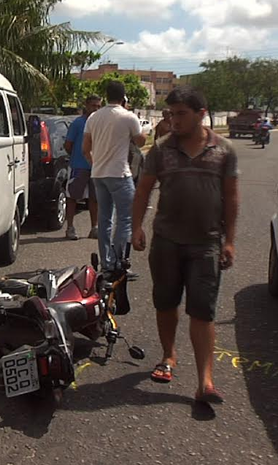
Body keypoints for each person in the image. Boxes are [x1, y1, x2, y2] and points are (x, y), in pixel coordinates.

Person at [131, 86, 239, 404]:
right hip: (166, 242)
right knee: (165, 304)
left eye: (181, 114)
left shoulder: (224, 150)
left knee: (203, 312)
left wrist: (230, 241)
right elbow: (143, 191)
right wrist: (137, 227)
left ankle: (205, 381)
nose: (174, 120)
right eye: (171, 114)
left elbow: (231, 197)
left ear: (201, 113)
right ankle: (168, 356)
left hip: (206, 244)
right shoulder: (161, 150)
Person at [82, 81, 146, 271]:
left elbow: (85, 148)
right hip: (119, 174)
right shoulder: (128, 117)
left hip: (99, 174)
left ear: (105, 96)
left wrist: (96, 165)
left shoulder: (93, 117)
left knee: (104, 219)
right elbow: (141, 142)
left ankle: (106, 263)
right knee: (126, 218)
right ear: (124, 98)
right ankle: (119, 262)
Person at [63, 95, 102, 240]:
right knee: (72, 197)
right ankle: (70, 228)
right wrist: (77, 156)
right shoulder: (78, 123)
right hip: (78, 167)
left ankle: (94, 228)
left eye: (98, 106)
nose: (95, 109)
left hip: (96, 167)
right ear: (86, 105)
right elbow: (68, 145)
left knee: (95, 198)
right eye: (93, 106)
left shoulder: (100, 124)